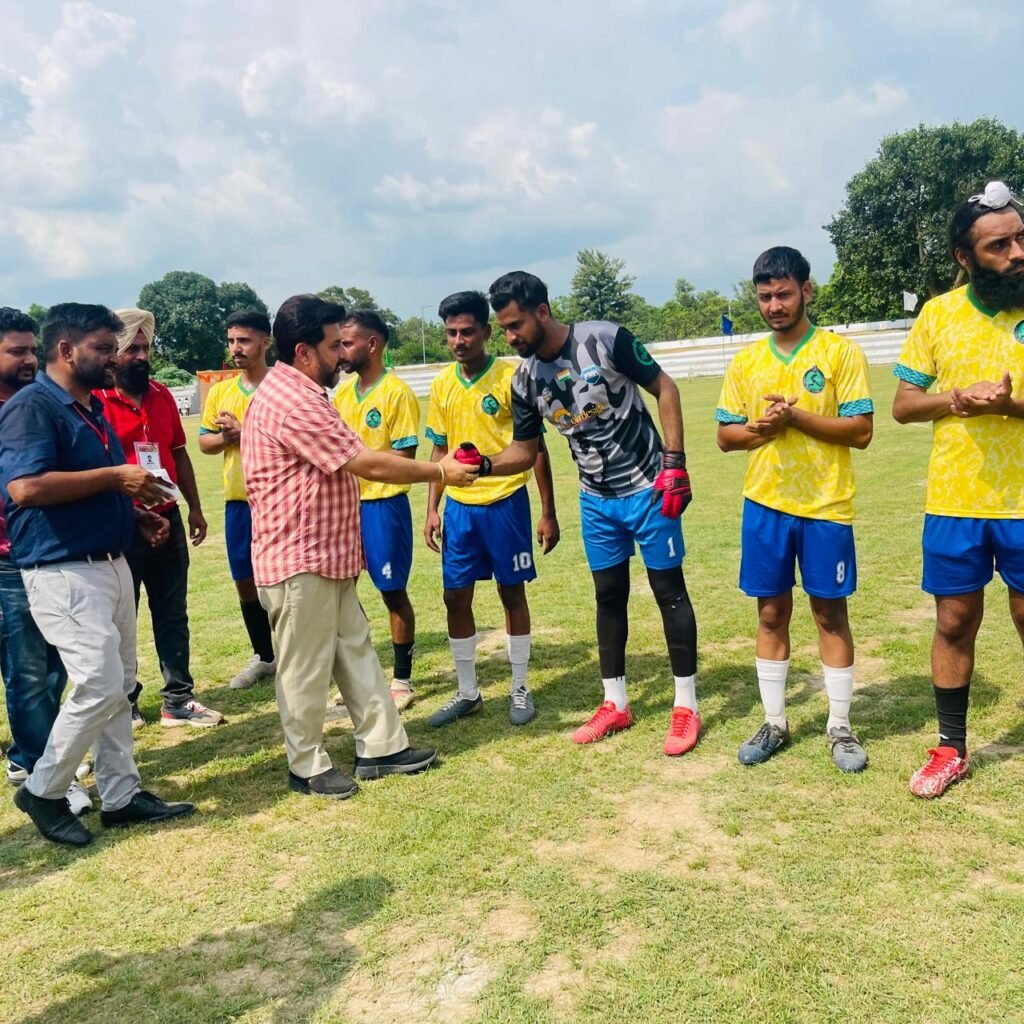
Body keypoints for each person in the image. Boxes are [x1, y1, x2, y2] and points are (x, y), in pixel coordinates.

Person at [241, 294, 478, 799]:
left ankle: (381, 746)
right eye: (332, 347)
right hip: (299, 559)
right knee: (305, 668)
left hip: (323, 556)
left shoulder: (299, 392)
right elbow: (365, 461)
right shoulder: (293, 400)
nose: (341, 357)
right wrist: (441, 471)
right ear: (304, 352)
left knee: (355, 651)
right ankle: (305, 764)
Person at [483, 271, 700, 756]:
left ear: (543, 311)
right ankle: (614, 701)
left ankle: (686, 705)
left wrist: (674, 462)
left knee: (668, 591)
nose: (512, 336)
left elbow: (665, 388)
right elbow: (524, 450)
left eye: (516, 324)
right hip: (596, 500)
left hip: (649, 486)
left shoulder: (605, 338)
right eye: (505, 329)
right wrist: (482, 465)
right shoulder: (523, 380)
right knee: (608, 596)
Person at [0, 303, 194, 846]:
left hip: (109, 561)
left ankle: (121, 795)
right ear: (67, 350)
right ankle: (43, 790)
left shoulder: (86, 407)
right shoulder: (32, 407)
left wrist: (131, 514)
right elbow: (25, 488)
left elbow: (93, 486)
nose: (114, 358)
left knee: (121, 683)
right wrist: (116, 477)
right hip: (62, 570)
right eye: (104, 349)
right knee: (100, 685)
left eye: (117, 348)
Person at [716, 247, 873, 772]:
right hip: (765, 505)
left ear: (807, 290)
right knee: (769, 612)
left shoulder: (838, 354)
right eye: (765, 296)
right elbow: (724, 436)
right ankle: (775, 721)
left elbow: (862, 431)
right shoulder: (746, 361)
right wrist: (757, 431)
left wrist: (796, 418)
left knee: (830, 612)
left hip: (826, 504)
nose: (775, 305)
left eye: (784, 293)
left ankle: (840, 727)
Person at [892, 180, 1024, 798]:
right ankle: (950, 747)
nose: (1018, 252)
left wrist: (1010, 406)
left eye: (1021, 238)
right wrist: (958, 398)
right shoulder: (938, 315)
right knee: (953, 621)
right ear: (964, 258)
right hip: (955, 500)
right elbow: (903, 405)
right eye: (1000, 245)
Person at [423, 291, 559, 728]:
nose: (459, 340)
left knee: (511, 592)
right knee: (454, 596)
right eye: (451, 333)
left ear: (485, 332)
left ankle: (520, 686)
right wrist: (432, 508)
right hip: (460, 510)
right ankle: (468, 692)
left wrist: (548, 510)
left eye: (467, 332)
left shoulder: (512, 376)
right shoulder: (443, 384)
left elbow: (535, 448)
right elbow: (439, 449)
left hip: (505, 504)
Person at [95, 309, 222, 728]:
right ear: (113, 353)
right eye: (132, 348)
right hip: (120, 525)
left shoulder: (162, 395)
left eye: (145, 348)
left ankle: (178, 700)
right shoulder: (97, 401)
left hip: (167, 516)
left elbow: (180, 452)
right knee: (121, 619)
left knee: (172, 612)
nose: (141, 356)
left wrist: (195, 507)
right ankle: (125, 702)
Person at [0, 307, 90, 815]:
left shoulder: (42, 404)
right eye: (16, 351)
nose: (28, 360)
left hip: (48, 551)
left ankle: (44, 756)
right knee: (28, 669)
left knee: (57, 664)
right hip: (8, 558)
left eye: (31, 350)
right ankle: (39, 769)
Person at [333, 311, 420, 710]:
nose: (340, 350)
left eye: (347, 342)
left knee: (391, 592)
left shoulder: (396, 392)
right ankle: (359, 676)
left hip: (384, 505)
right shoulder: (342, 394)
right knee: (343, 595)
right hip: (344, 507)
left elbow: (405, 453)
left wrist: (364, 461)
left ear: (372, 344)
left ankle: (402, 679)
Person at [199, 311, 276, 690]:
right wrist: (228, 438)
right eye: (231, 341)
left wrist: (247, 432)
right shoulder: (221, 392)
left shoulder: (283, 386)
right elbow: (204, 442)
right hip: (238, 501)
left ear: (266, 341)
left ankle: (301, 653)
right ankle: (264, 655)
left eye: (243, 341)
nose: (235, 349)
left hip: (278, 499)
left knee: (283, 580)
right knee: (244, 580)